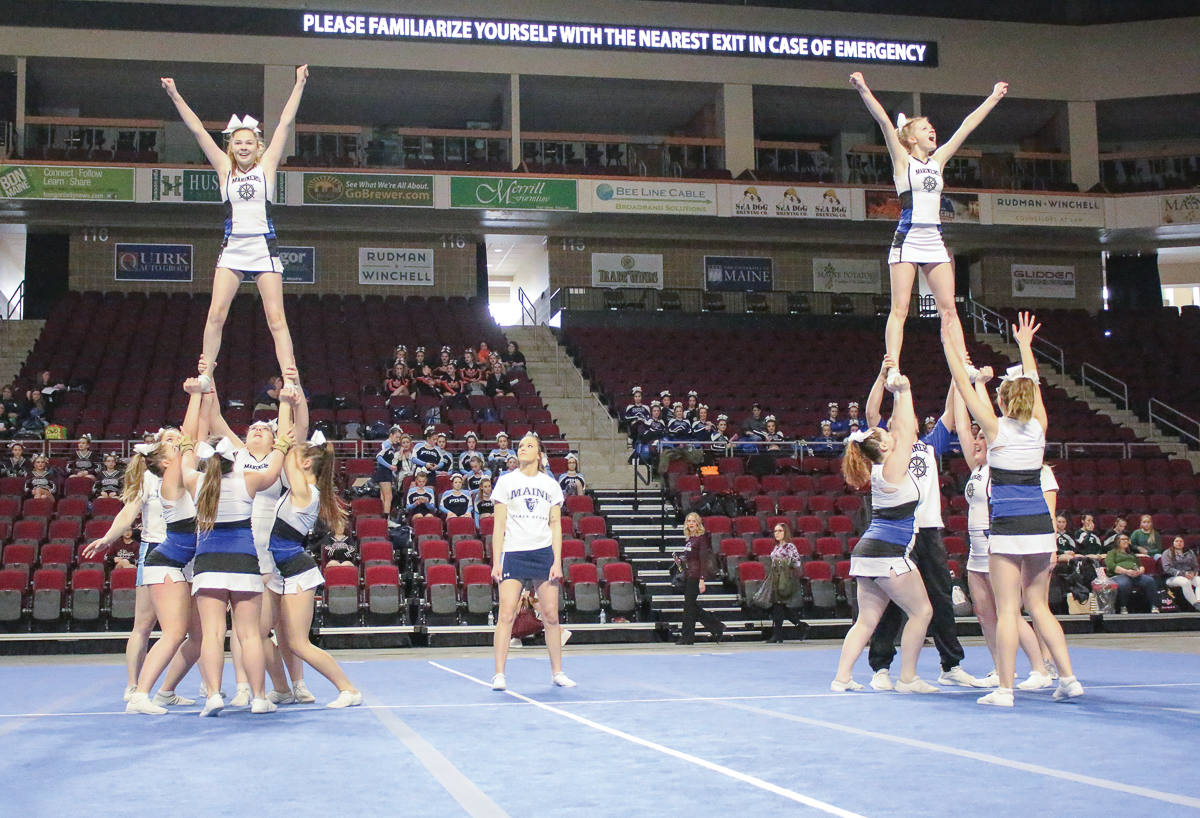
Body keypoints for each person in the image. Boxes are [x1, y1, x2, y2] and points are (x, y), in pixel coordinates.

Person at [943, 310, 1083, 706]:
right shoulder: (1039, 427)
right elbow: (1033, 385)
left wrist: (950, 347)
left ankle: (1004, 689)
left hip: (1008, 526)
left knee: (1008, 610)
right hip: (1040, 526)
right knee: (1038, 606)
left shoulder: (995, 429)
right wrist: (1024, 346)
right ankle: (1068, 677)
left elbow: (966, 389)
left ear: (1002, 401)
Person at [849, 70, 1007, 374]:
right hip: (907, 237)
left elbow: (966, 126)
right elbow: (884, 122)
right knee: (900, 309)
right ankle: (892, 366)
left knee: (949, 309)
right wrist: (863, 88)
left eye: (931, 127)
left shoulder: (939, 161)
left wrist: (993, 98)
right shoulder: (902, 161)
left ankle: (965, 365)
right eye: (925, 127)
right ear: (911, 138)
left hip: (934, 238)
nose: (932, 129)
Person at [160, 66, 309, 383]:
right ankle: (205, 373)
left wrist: (299, 84)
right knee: (216, 314)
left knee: (276, 319)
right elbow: (198, 130)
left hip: (263, 247)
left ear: (258, 147)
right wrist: (174, 94)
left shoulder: (266, 167)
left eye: (249, 143)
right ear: (231, 146)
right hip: (233, 248)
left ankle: (289, 377)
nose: (243, 147)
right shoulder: (223, 168)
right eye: (238, 143)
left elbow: (284, 123)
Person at [865, 356, 978, 689]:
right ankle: (881, 667)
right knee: (892, 603)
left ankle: (950, 665)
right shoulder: (888, 451)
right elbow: (871, 414)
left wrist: (958, 374)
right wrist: (881, 376)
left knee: (941, 597)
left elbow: (950, 413)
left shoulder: (928, 447)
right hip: (899, 533)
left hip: (928, 531)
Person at [831, 370, 938, 694]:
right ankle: (908, 678)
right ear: (883, 445)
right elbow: (907, 431)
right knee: (922, 611)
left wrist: (890, 386)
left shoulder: (881, 467)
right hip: (887, 553)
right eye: (884, 432)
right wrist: (904, 392)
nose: (889, 431)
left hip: (869, 553)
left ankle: (842, 678)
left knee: (867, 620)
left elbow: (900, 431)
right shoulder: (892, 466)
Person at [190, 383, 288, 717]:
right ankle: (259, 697)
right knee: (249, 635)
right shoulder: (249, 479)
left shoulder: (195, 481)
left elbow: (189, 446)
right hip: (245, 560)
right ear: (235, 457)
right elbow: (274, 466)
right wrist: (282, 442)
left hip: (208, 563)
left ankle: (213, 695)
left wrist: (202, 390)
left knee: (212, 634)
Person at [954, 378, 1054, 692]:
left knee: (1010, 612)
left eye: (982, 437)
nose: (976, 441)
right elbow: (962, 426)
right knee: (985, 613)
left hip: (999, 543)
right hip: (976, 549)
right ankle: (1000, 669)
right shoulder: (976, 469)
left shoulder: (1002, 466)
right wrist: (958, 385)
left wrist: (977, 386)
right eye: (976, 438)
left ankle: (1039, 668)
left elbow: (989, 415)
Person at [268, 394, 362, 709]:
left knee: (298, 643)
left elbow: (286, 446)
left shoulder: (305, 491)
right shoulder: (301, 488)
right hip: (281, 570)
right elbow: (289, 448)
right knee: (276, 636)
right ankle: (284, 688)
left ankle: (348, 689)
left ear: (306, 463)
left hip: (296, 572)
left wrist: (285, 404)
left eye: (299, 456)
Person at [126, 377, 208, 715]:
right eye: (173, 449)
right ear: (164, 463)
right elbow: (189, 438)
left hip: (187, 565)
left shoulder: (188, 476)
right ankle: (140, 695)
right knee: (173, 632)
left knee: (200, 636)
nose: (181, 448)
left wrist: (206, 397)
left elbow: (196, 439)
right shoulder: (170, 483)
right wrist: (194, 397)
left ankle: (166, 691)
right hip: (166, 563)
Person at [83, 427, 182, 701]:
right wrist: (108, 538)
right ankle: (133, 685)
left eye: (179, 437)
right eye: (170, 438)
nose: (176, 441)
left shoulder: (192, 472)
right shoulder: (148, 478)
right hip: (155, 550)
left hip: (188, 552)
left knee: (190, 628)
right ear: (159, 450)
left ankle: (177, 689)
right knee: (144, 623)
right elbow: (128, 513)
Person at [490, 433, 575, 690]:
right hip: (514, 552)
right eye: (520, 446)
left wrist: (557, 560)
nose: (523, 449)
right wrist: (496, 561)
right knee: (506, 614)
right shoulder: (505, 481)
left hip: (543, 552)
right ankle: (499, 674)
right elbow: (499, 525)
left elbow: (556, 524)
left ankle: (557, 672)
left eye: (529, 446)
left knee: (551, 616)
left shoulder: (550, 485)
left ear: (539, 454)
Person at [675, 511, 724, 645]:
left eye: (693, 521)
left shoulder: (701, 539)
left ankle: (688, 636)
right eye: (689, 521)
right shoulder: (690, 539)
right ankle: (716, 626)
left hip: (696, 576)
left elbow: (703, 560)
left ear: (698, 524)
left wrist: (702, 580)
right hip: (689, 575)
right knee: (691, 606)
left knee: (689, 607)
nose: (691, 524)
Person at [764, 522, 808, 643]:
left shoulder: (790, 547)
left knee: (778, 605)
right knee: (779, 606)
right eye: (775, 531)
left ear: (785, 532)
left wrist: (783, 563)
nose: (776, 533)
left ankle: (778, 635)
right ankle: (800, 625)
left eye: (780, 531)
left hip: (785, 578)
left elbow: (796, 562)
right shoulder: (776, 547)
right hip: (776, 577)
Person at [1106, 533, 1160, 613]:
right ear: (1117, 542)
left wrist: (1139, 571)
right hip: (1119, 575)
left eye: (1127, 539)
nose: (1126, 541)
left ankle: (1154, 606)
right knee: (1124, 583)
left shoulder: (1131, 554)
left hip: (1135, 575)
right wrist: (1126, 571)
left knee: (1150, 580)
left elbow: (1141, 566)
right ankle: (1123, 606)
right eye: (1123, 539)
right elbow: (1111, 565)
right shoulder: (1112, 553)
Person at [1162, 536, 1200, 611]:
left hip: (1190, 575)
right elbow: (1167, 568)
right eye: (1177, 541)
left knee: (1199, 581)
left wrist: (1193, 573)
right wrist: (1183, 574)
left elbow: (1196, 566)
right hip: (1173, 577)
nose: (1179, 543)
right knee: (1185, 582)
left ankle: (1199, 601)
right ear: (1173, 543)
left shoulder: (1190, 552)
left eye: (1181, 541)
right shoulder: (1167, 553)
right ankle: (1195, 605)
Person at [374, 425, 404, 518]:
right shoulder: (386, 444)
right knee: (388, 496)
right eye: (397, 437)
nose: (398, 440)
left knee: (384, 497)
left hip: (386, 472)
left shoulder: (391, 447)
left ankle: (384, 518)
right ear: (391, 435)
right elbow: (378, 457)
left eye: (399, 438)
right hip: (384, 472)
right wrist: (389, 466)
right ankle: (387, 519)